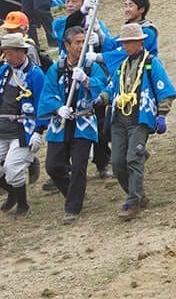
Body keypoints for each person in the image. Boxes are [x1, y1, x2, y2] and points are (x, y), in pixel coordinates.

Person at [39, 25, 110, 224]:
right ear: (67, 45)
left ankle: (72, 207)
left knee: (79, 165)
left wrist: (87, 81)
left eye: (83, 42)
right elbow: (48, 92)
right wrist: (57, 107)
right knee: (53, 166)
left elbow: (103, 87)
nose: (81, 46)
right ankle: (73, 190)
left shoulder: (90, 66)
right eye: (77, 42)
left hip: (83, 121)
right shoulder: (57, 68)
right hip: (60, 122)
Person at [109, 22, 176, 219]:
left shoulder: (151, 63)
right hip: (119, 119)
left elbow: (165, 91)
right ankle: (138, 195)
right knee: (117, 162)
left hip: (140, 118)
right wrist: (102, 97)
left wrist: (162, 114)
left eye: (129, 42)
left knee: (133, 159)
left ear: (139, 42)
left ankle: (133, 201)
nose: (126, 46)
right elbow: (111, 87)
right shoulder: (122, 66)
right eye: (124, 43)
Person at [0, 33, 46, 220]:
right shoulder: (4, 70)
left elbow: (42, 102)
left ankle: (23, 203)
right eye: (5, 53)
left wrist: (39, 131)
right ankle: (13, 192)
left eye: (9, 52)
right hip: (2, 125)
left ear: (21, 52)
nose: (7, 57)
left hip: (24, 127)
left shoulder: (36, 74)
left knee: (12, 167)